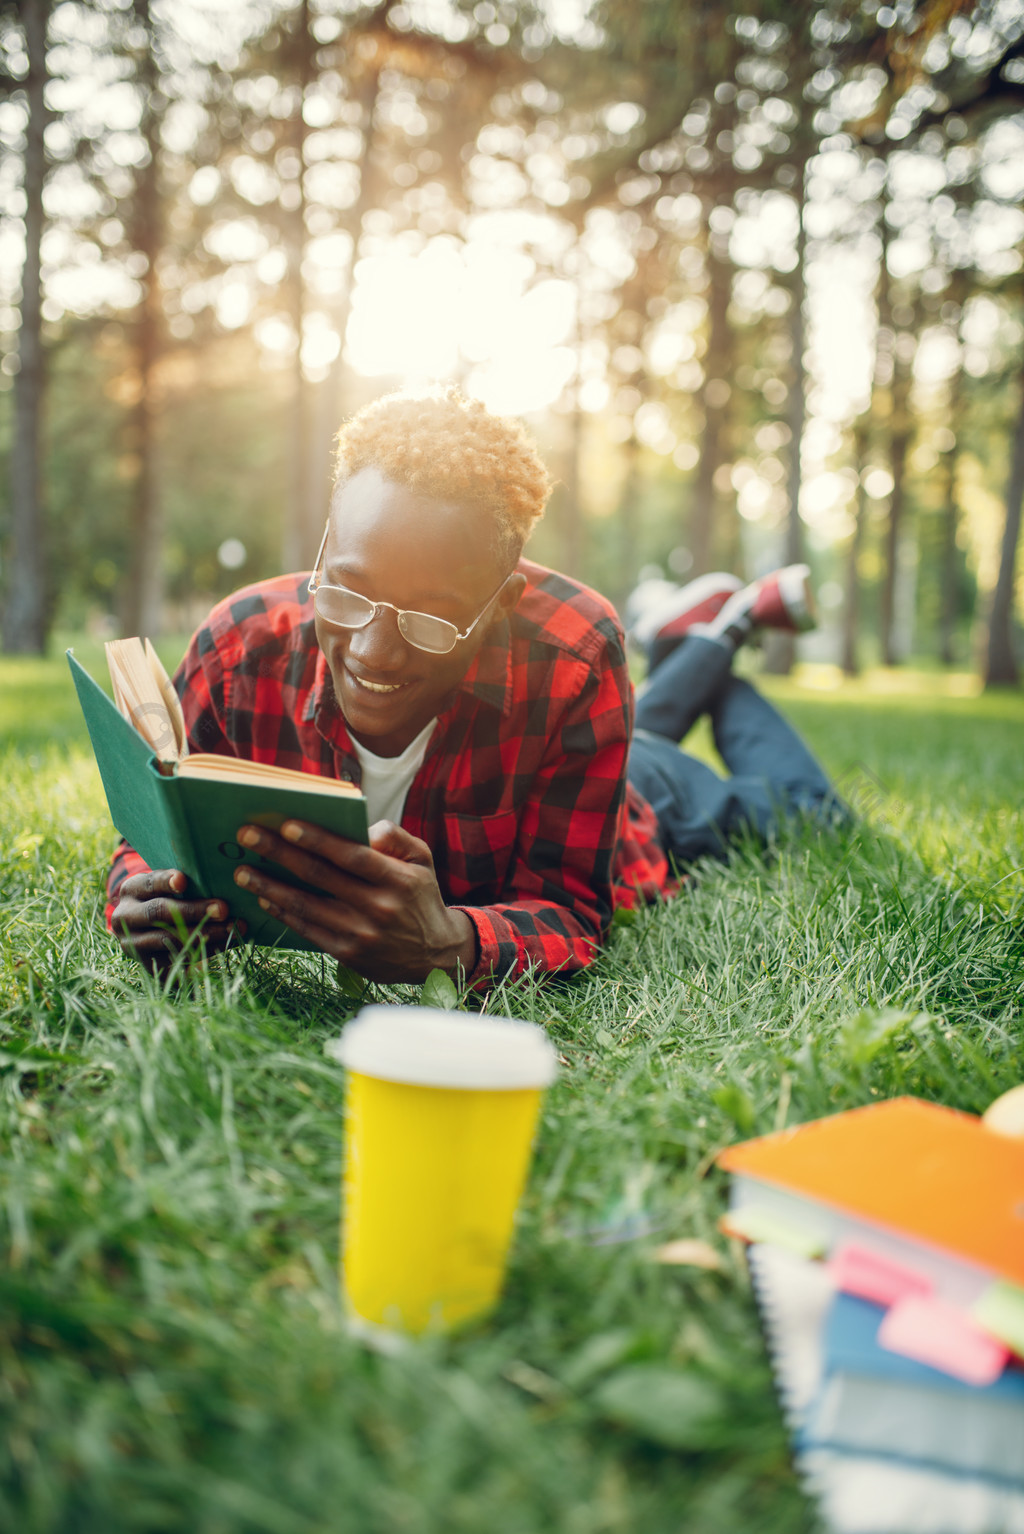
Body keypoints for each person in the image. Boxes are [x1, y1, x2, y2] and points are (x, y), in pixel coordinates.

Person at [108, 389, 842, 987]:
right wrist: (140, 889)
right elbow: (150, 830)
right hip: (598, 742)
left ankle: (721, 647)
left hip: (645, 799)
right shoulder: (240, 647)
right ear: (325, 550)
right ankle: (702, 642)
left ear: (501, 603)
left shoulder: (574, 656)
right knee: (646, 725)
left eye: (431, 618)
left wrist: (452, 943)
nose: (373, 648)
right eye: (348, 591)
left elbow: (575, 915)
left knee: (810, 813)